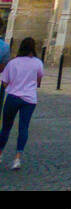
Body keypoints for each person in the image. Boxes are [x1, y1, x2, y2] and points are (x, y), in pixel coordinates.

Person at [0, 38, 43, 170]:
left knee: (6, 127)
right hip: (29, 99)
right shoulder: (38, 63)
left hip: (13, 97)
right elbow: (39, 81)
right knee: (23, 128)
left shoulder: (13, 63)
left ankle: (0, 153)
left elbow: (5, 82)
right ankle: (17, 158)